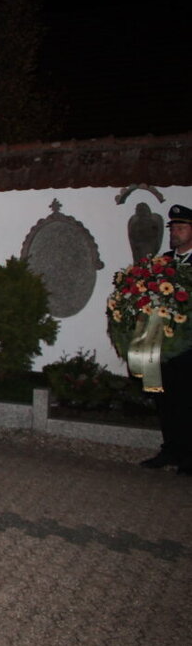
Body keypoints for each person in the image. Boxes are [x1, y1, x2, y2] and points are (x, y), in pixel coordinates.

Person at [140, 203, 192, 475]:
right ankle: (170, 449)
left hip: (189, 348)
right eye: (173, 228)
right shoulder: (164, 262)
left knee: (187, 400)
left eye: (181, 228)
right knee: (166, 399)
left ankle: (189, 456)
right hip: (164, 345)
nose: (175, 233)